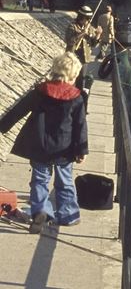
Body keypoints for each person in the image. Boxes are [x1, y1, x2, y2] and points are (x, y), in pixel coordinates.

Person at [0, 52, 88, 233]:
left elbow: (19, 110)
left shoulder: (40, 92)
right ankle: (68, 214)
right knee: (65, 181)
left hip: (40, 146)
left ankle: (40, 212)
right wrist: (81, 150)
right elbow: (80, 126)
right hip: (64, 149)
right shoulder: (76, 97)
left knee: (39, 181)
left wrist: (3, 126)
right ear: (73, 75)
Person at [65, 6, 102, 105]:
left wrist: (98, 35)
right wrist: (81, 34)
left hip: (84, 59)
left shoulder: (89, 28)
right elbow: (69, 41)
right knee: (70, 81)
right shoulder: (72, 26)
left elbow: (94, 44)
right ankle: (68, 102)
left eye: (89, 19)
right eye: (86, 18)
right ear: (82, 17)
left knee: (81, 82)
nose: (88, 21)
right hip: (72, 59)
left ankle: (79, 105)